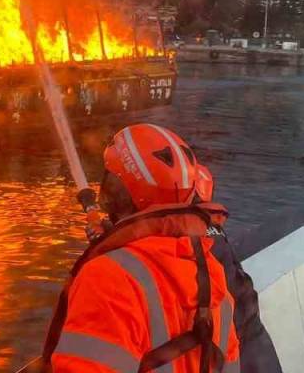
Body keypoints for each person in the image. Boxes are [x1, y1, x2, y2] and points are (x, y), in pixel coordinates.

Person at [40, 124, 282, 373]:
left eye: (109, 185)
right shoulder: (212, 273)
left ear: (118, 194)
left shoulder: (107, 278)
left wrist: (116, 248)